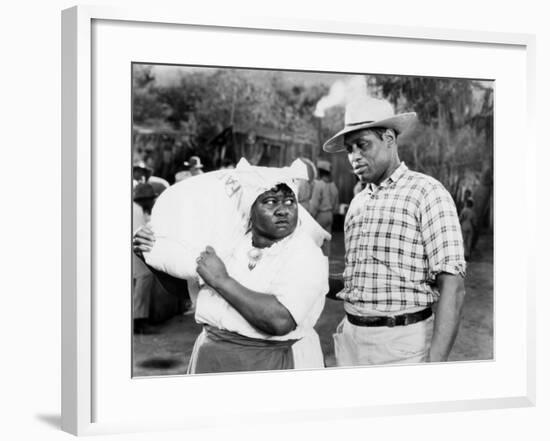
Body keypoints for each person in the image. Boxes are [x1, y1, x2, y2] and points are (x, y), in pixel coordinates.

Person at [133, 169, 328, 373]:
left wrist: (222, 280)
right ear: (249, 207)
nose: (282, 210)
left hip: (267, 363)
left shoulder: (304, 252)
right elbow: (189, 292)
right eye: (270, 201)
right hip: (212, 356)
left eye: (290, 201)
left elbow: (280, 321)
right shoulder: (230, 243)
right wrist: (149, 257)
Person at [323, 96, 466, 366]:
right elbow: (367, 282)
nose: (354, 156)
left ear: (389, 138)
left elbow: (453, 286)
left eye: (362, 145)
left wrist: (435, 364)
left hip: (403, 346)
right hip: (350, 340)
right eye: (349, 149)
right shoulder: (357, 203)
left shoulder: (426, 192)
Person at [309, 160, 339, 255]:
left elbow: (315, 203)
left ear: (320, 171)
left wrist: (311, 216)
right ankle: (326, 262)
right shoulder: (333, 185)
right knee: (326, 241)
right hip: (329, 214)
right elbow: (335, 203)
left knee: (315, 241)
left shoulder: (318, 184)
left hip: (320, 215)